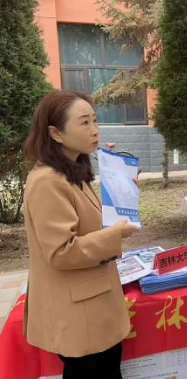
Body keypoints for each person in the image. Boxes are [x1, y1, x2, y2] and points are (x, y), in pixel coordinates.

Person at [23, 90, 139, 378]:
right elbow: (62, 251)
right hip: (79, 314)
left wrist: (122, 196)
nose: (95, 130)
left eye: (95, 121)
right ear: (56, 133)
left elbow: (88, 223)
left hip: (93, 307)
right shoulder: (47, 181)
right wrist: (114, 235)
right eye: (84, 122)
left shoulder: (71, 171)